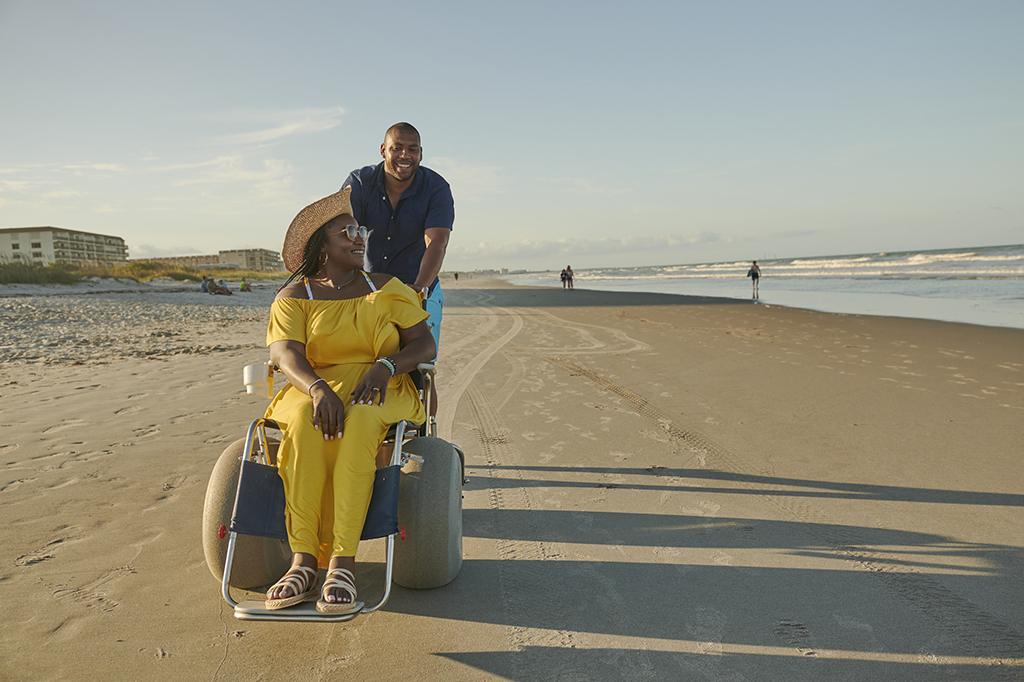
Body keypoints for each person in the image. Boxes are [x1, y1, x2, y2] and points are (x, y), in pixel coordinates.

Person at [263, 187, 436, 613]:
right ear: (320, 245)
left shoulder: (387, 288)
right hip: (313, 386)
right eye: (347, 232)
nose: (359, 238)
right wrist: (317, 388)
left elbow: (424, 344)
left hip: (385, 385)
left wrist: (388, 365)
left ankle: (342, 562)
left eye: (359, 230)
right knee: (304, 423)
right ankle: (303, 560)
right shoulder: (294, 298)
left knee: (359, 422)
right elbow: (286, 354)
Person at [342, 122, 454, 413]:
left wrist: (418, 288)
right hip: (366, 287)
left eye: (412, 149)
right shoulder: (361, 182)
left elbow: (437, 241)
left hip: (416, 285)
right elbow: (344, 230)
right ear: (383, 150)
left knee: (420, 367)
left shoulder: (436, 187)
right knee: (361, 360)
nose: (405, 155)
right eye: (397, 148)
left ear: (421, 154)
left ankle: (427, 437)